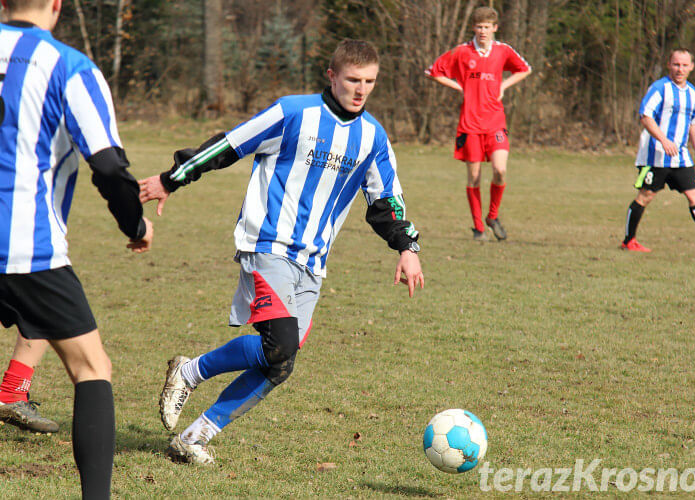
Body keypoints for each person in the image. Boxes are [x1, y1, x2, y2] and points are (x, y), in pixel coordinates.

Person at [139, 39, 424, 465]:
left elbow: (385, 203)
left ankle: (194, 437)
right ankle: (190, 371)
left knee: (280, 365)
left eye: (369, 82)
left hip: (313, 263)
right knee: (280, 345)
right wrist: (173, 177)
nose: (360, 89)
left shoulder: (373, 139)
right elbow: (229, 145)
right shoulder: (294, 113)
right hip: (267, 245)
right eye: (352, 80)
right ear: (332, 75)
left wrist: (407, 247)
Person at [0, 0, 154, 497]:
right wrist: (134, 223)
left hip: (25, 246)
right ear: (56, 6)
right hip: (24, 247)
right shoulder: (68, 66)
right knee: (91, 368)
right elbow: (108, 165)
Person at [426, 6, 531, 241]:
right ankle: (478, 228)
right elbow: (433, 71)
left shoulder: (503, 51)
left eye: (487, 27)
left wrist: (503, 86)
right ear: (474, 28)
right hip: (469, 125)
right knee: (473, 177)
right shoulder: (462, 52)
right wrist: (459, 86)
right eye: (479, 27)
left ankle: (492, 216)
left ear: (495, 28)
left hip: (495, 122)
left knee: (500, 170)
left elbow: (525, 69)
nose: (483, 31)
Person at [621, 48, 695, 253]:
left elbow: (693, 123)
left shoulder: (692, 92)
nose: (680, 69)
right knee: (645, 196)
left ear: (692, 67)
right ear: (669, 64)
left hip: (680, 157)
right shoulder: (660, 88)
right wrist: (663, 140)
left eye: (685, 65)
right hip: (655, 156)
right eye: (676, 64)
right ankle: (628, 241)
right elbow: (645, 116)